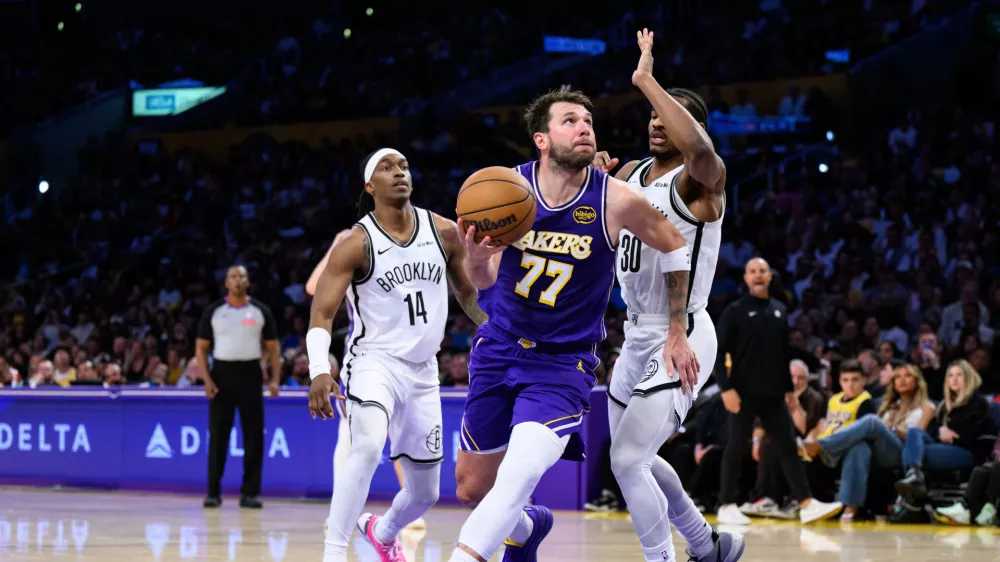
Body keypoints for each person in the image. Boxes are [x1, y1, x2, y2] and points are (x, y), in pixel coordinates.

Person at [448, 84, 691, 562]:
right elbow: (482, 281)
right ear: (542, 139)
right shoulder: (502, 190)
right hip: (498, 348)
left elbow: (674, 243)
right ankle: (527, 527)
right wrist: (476, 258)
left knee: (517, 475)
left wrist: (677, 327)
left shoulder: (614, 200)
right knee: (473, 490)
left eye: (588, 121)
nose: (584, 128)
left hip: (561, 365)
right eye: (570, 121)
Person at [306, 148, 486, 562]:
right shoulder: (356, 243)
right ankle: (333, 554)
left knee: (426, 492)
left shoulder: (443, 231)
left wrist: (495, 325)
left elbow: (467, 293)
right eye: (386, 168)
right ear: (370, 186)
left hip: (424, 370)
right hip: (373, 361)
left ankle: (382, 531)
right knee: (366, 447)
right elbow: (322, 311)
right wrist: (319, 369)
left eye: (403, 166)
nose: (398, 173)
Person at [603, 29, 741, 562]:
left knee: (628, 460)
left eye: (671, 113)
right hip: (636, 331)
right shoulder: (630, 175)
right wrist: (597, 185)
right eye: (653, 112)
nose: (657, 120)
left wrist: (645, 79)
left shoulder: (701, 179)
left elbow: (701, 148)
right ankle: (707, 545)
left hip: (682, 329)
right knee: (630, 454)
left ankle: (660, 558)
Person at [307, 230, 429, 535]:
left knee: (400, 435)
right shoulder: (353, 246)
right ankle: (342, 511)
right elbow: (313, 288)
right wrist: (336, 245)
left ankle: (410, 510)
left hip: (404, 355)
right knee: (351, 436)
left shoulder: (407, 245)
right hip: (363, 359)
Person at [714, 257, 843, 525]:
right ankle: (726, 504)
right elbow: (718, 351)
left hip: (774, 394)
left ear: (770, 276)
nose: (758, 275)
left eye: (763, 270)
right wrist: (726, 389)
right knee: (736, 446)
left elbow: (783, 354)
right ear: (746, 278)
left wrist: (788, 391)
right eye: (752, 271)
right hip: (743, 392)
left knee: (787, 447)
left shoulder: (780, 310)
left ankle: (807, 503)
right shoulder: (735, 311)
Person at [800, 362, 936, 521]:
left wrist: (892, 430)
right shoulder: (888, 406)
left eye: (907, 376)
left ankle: (822, 446)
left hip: (904, 453)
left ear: (917, 380)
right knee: (860, 447)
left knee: (871, 421)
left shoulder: (927, 407)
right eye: (898, 376)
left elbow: (918, 437)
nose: (902, 380)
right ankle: (850, 507)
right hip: (882, 452)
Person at [197, 265, 282, 509]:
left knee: (254, 436)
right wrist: (207, 380)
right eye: (233, 276)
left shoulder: (260, 311)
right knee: (218, 438)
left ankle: (250, 493)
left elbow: (274, 349)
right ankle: (213, 493)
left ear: (248, 282)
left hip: (250, 375)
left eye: (241, 276)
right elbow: (201, 349)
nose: (237, 280)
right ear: (226, 283)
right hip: (221, 375)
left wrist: (275, 380)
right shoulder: (214, 311)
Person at [895, 359, 994, 500]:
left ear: (968, 377)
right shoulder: (944, 406)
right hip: (943, 446)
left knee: (915, 451)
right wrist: (940, 431)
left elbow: (978, 436)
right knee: (914, 432)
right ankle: (913, 477)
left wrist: (951, 434)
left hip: (968, 452)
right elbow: (931, 432)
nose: (954, 379)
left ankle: (909, 489)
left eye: (959, 375)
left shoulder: (978, 403)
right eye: (950, 375)